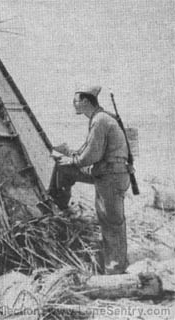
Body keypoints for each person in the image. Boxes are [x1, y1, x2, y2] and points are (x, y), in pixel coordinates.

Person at [49, 85, 130, 275]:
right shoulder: (98, 119)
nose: (74, 104)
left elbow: (91, 155)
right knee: (64, 168)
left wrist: (74, 159)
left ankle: (115, 269)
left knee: (110, 220)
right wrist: (70, 155)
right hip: (106, 172)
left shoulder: (100, 121)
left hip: (111, 176)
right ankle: (62, 207)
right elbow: (88, 151)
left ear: (86, 101)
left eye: (76, 100)